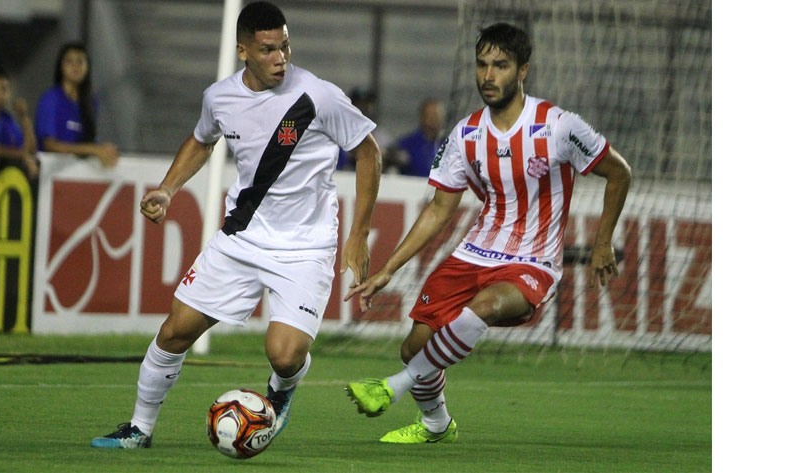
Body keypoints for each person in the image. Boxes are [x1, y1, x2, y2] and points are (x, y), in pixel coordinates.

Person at [90, 1, 381, 449]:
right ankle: (139, 428)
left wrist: (358, 234)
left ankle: (280, 393)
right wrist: (168, 189)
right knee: (174, 330)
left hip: (305, 246)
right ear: (243, 50)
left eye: (285, 46)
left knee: (284, 356)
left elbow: (368, 154)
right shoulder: (220, 97)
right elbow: (201, 140)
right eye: (268, 50)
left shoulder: (318, 95)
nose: (280, 58)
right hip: (242, 236)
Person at [344, 22, 632, 444]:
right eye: (482, 65)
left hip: (533, 261)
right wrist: (389, 268)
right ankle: (437, 425)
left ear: (523, 71)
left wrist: (603, 241)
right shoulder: (465, 134)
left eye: (500, 65)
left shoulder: (558, 126)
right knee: (415, 347)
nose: (488, 75)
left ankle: (393, 386)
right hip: (475, 254)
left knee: (490, 303)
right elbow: (440, 208)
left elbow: (619, 174)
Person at [34, 42, 119, 168]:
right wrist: (92, 150)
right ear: (61, 66)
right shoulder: (51, 99)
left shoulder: (91, 102)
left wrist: (103, 151)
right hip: (50, 175)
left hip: (77, 174)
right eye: (69, 61)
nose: (75, 66)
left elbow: (88, 139)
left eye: (80, 61)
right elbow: (49, 145)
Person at [392, 98, 446, 177]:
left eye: (436, 116)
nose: (433, 120)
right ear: (422, 117)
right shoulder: (407, 144)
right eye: (430, 115)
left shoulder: (450, 145)